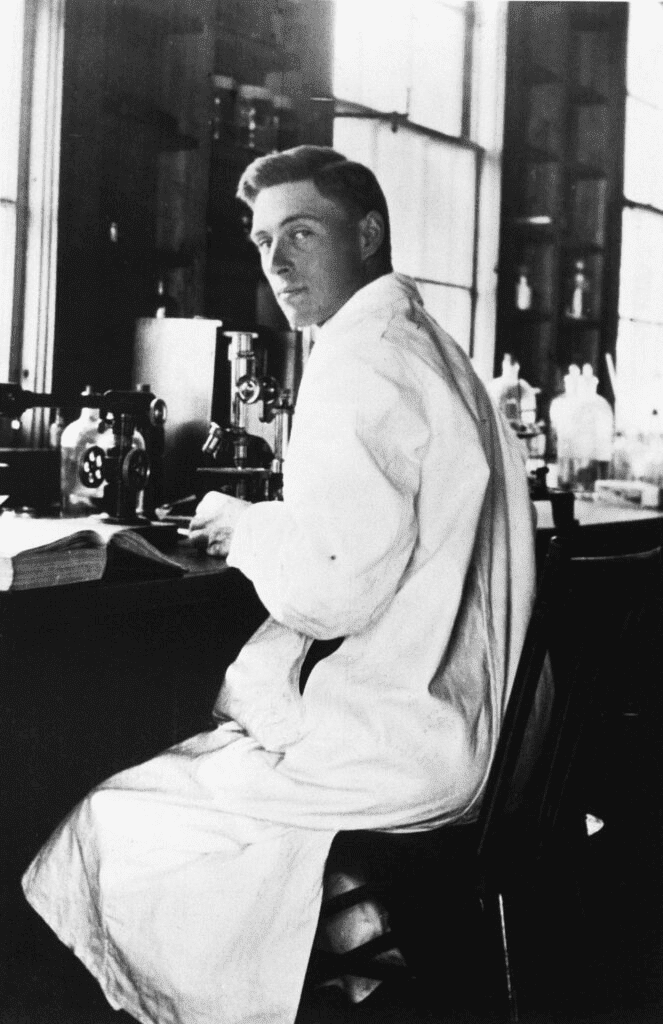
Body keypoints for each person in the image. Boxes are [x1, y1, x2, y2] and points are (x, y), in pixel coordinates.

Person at [22, 147, 539, 1024]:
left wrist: (242, 525)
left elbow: (333, 592)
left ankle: (292, 971)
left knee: (107, 821)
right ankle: (340, 945)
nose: (278, 263)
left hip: (394, 749)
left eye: (301, 233)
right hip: (461, 733)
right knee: (192, 781)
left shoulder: (359, 359)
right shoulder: (424, 341)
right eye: (264, 242)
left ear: (366, 234)